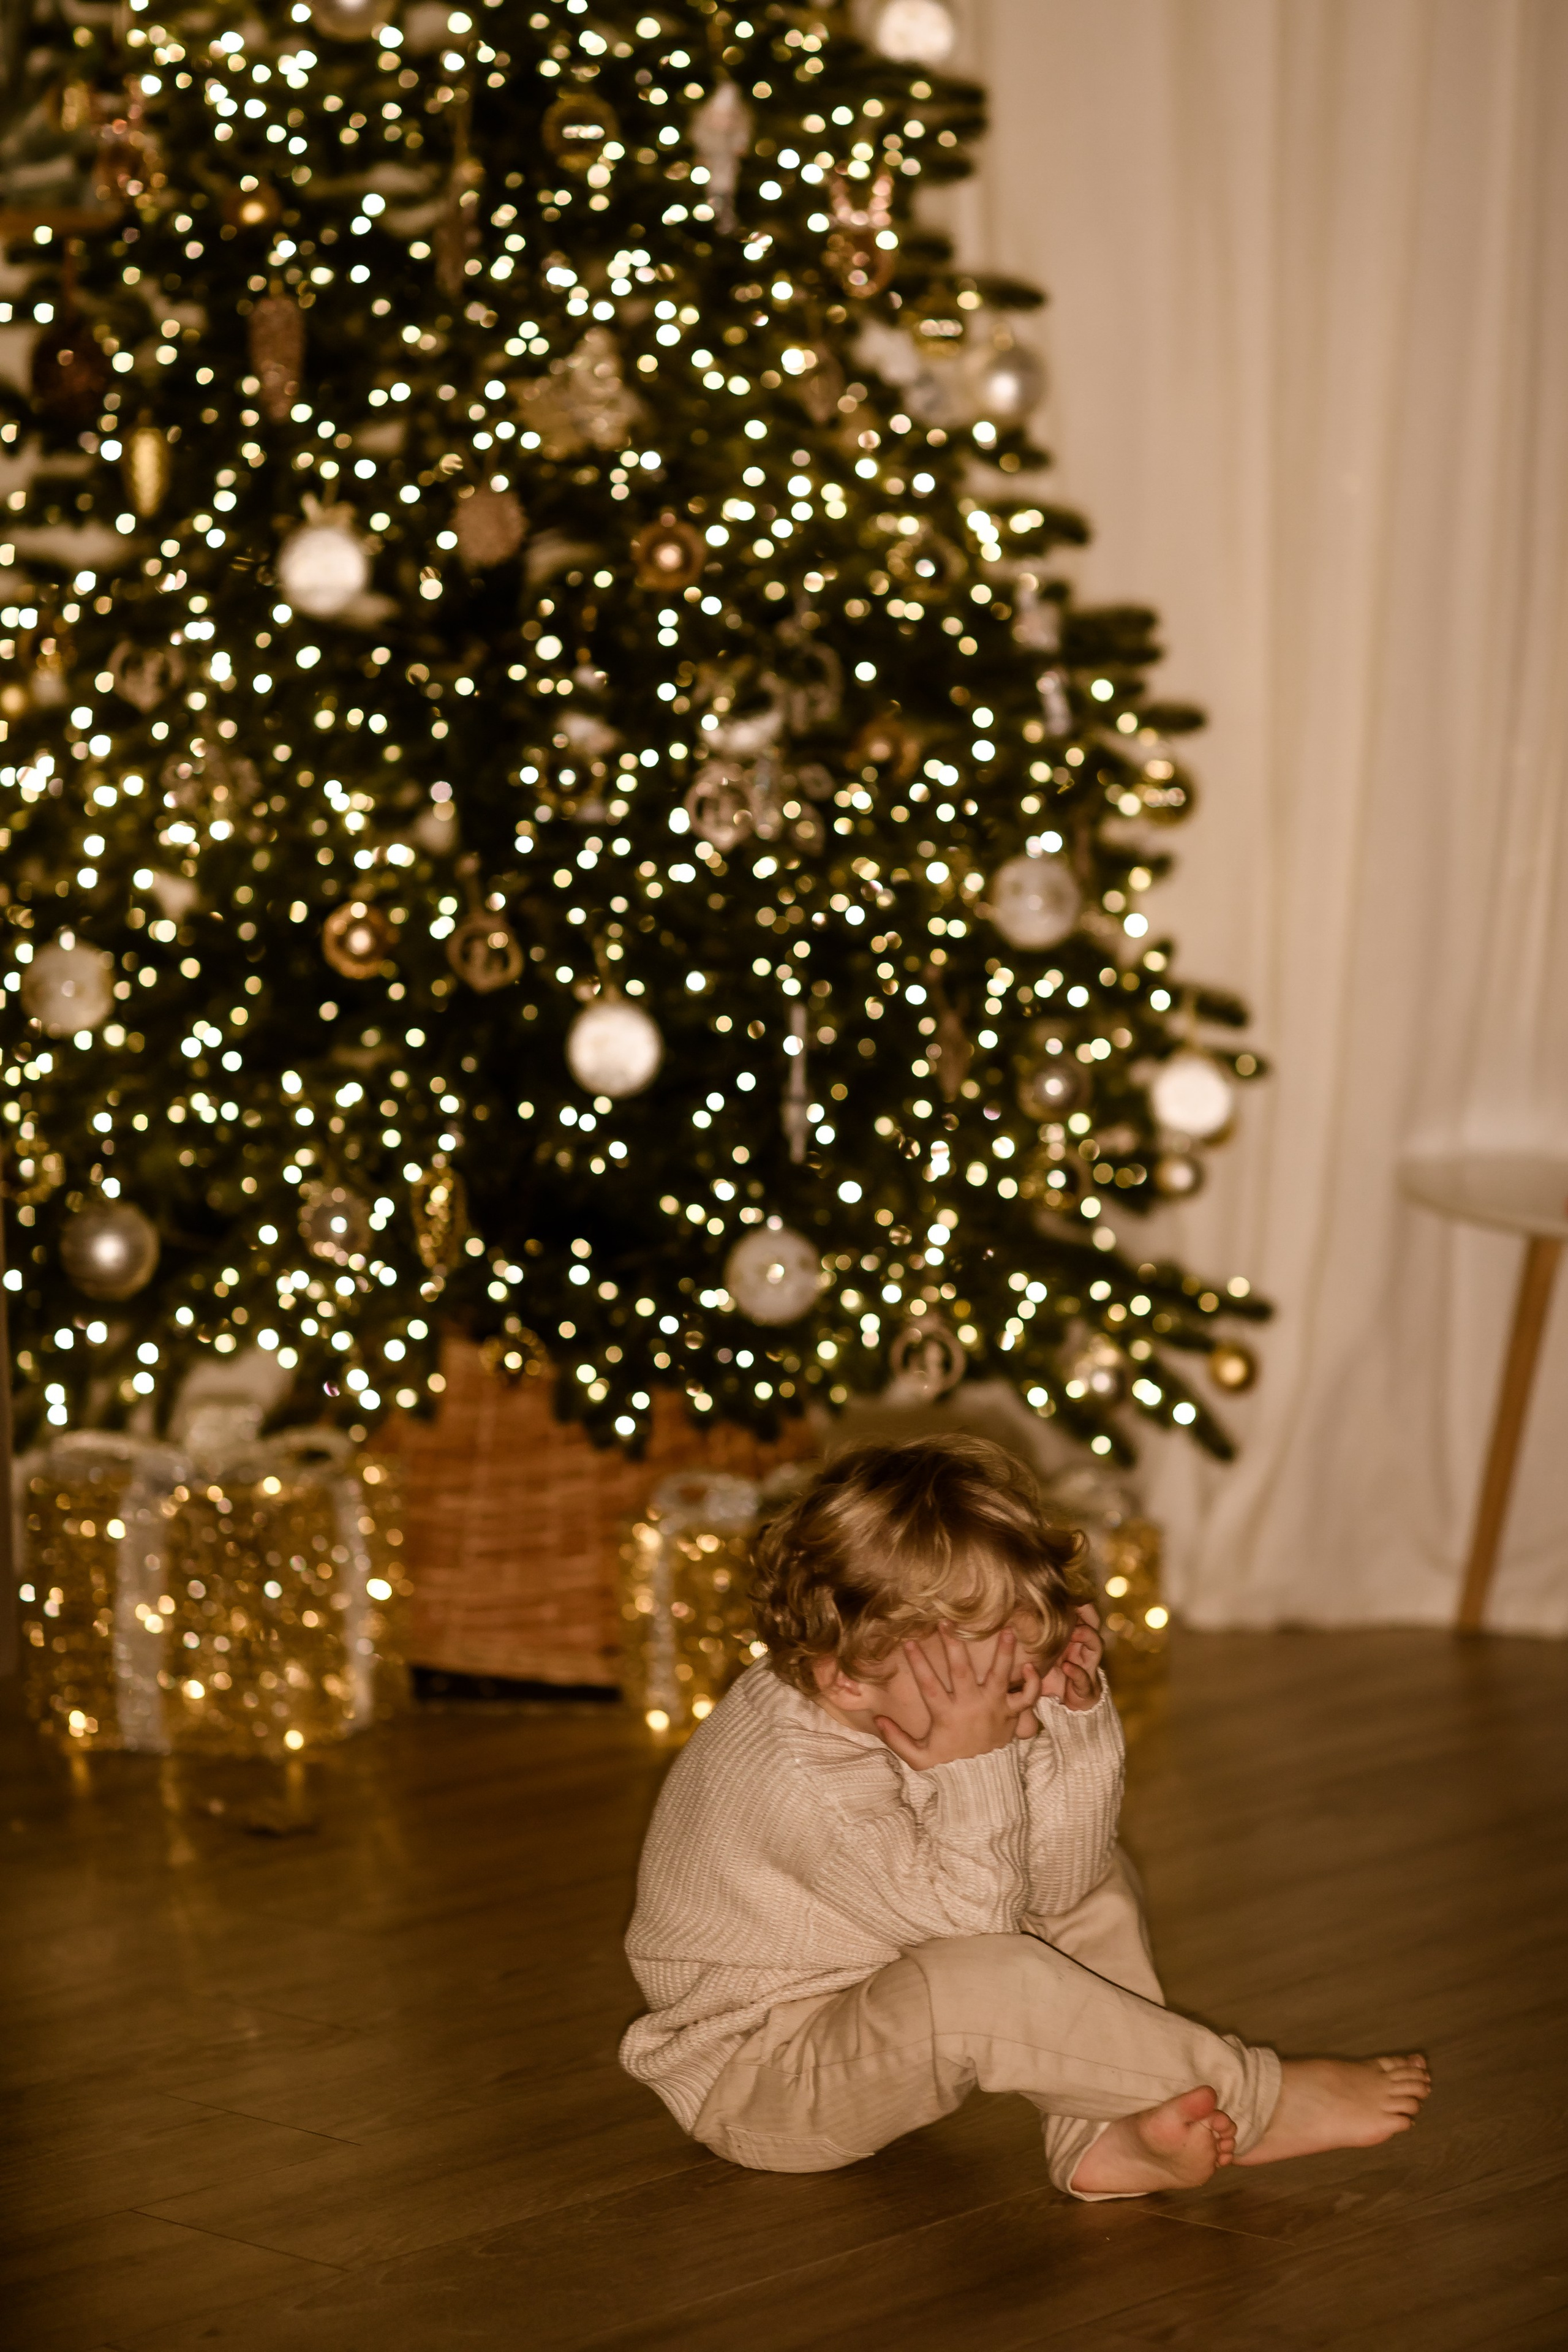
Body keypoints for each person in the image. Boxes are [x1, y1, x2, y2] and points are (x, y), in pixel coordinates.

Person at [619, 1435, 1430, 2196]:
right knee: (980, 1984)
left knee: (1095, 1880)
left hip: (875, 1992)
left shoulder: (891, 1694)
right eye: (991, 1685)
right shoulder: (806, 1781)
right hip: (766, 2078)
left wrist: (1074, 1721)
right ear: (845, 1679)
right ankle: (1254, 2101)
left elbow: (1056, 1883)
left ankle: (1103, 2135)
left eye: (1025, 1672)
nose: (1015, 1704)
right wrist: (974, 1765)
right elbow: (984, 1936)